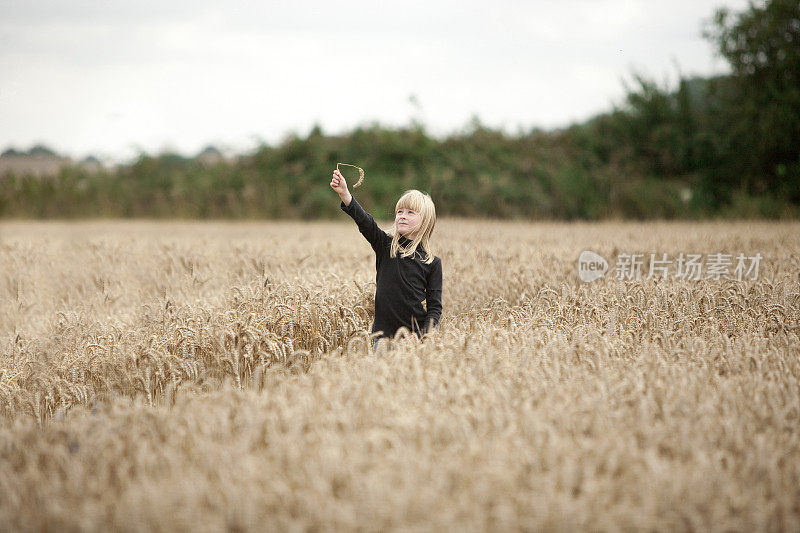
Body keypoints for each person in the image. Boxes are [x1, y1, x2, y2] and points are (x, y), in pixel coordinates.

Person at [330, 168, 443, 351]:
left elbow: (435, 308)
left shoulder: (432, 262)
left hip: (413, 341)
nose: (403, 216)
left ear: (426, 221)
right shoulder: (385, 246)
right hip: (382, 338)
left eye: (411, 212)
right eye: (400, 211)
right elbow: (366, 222)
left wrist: (420, 337)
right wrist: (345, 194)